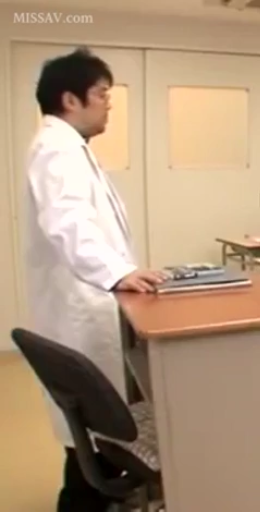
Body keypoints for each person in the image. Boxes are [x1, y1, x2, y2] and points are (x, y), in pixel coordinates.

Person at [23, 48, 166, 512]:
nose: (109, 104)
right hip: (79, 313)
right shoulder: (55, 149)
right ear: (70, 99)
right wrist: (118, 272)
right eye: (102, 94)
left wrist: (121, 271)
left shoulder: (70, 148)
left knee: (92, 435)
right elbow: (67, 223)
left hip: (88, 307)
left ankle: (94, 498)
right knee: (92, 433)